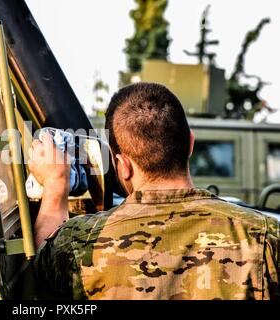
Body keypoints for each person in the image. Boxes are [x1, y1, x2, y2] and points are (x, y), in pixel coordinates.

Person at [28, 82, 280, 300]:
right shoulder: (266, 236)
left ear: (123, 166)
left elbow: (41, 271)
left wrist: (55, 186)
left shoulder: (79, 242)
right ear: (190, 143)